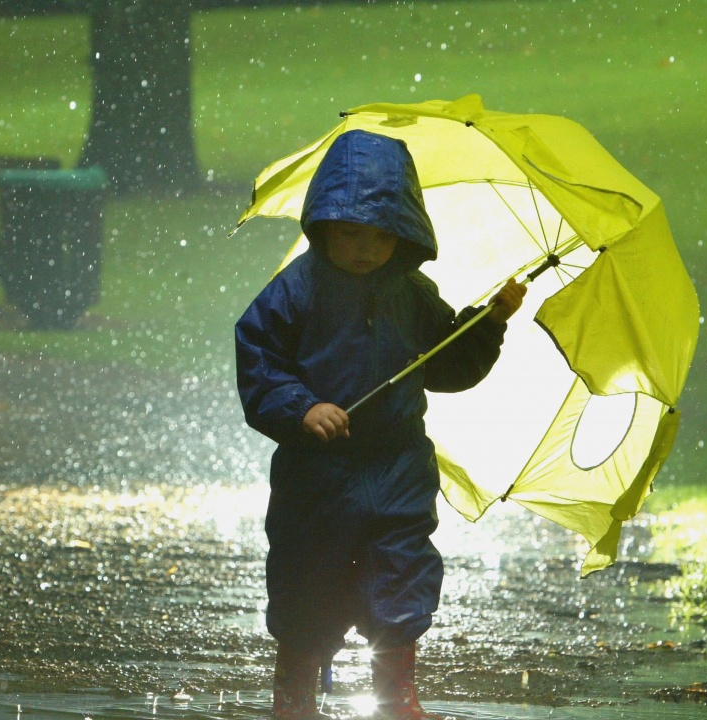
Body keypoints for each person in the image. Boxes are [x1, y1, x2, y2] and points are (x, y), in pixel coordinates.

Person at [235, 129, 526, 720]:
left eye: (380, 235)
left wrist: (487, 323)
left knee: (403, 574)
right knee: (306, 578)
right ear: (322, 226)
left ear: (405, 232)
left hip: (397, 466)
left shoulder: (412, 294)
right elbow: (259, 359)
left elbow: (447, 365)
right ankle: (294, 696)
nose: (365, 248)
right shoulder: (296, 291)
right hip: (317, 473)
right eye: (350, 233)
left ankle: (396, 696)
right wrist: (301, 408)